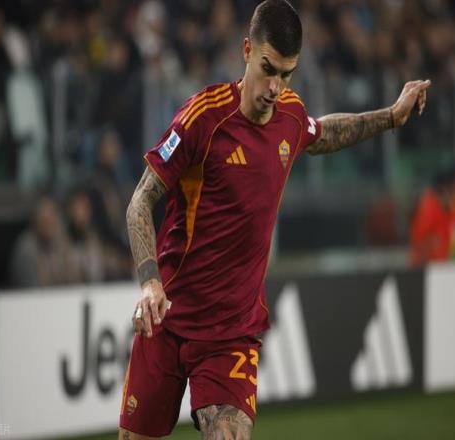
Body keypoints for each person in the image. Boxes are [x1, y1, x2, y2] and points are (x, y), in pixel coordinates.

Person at [120, 1, 431, 438]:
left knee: (229, 434)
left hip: (231, 333)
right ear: (247, 50)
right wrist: (150, 281)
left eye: (287, 74)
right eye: (268, 69)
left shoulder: (289, 115)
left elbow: (322, 132)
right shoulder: (202, 118)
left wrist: (391, 117)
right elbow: (140, 201)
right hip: (168, 318)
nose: (275, 87)